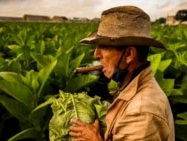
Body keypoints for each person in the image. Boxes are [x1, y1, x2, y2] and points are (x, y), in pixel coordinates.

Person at [69, 5, 175, 141]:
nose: (96, 54)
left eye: (104, 47)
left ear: (129, 54)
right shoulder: (130, 85)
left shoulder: (141, 113)